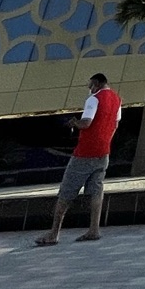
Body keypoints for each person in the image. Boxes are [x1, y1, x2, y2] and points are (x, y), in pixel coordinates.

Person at [35, 72, 122, 245]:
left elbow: (86, 123)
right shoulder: (117, 99)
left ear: (97, 83)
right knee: (96, 190)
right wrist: (105, 141)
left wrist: (74, 122)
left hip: (84, 153)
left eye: (90, 85)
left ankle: (54, 233)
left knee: (66, 191)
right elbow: (115, 124)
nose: (89, 88)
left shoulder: (94, 99)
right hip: (103, 152)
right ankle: (94, 230)